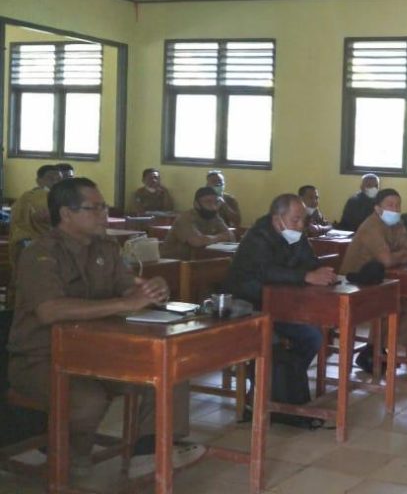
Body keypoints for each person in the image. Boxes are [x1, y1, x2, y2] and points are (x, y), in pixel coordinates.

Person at [6, 177, 200, 477]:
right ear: (66, 213)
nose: (103, 214)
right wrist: (125, 303)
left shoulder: (106, 247)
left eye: (104, 207)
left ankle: (147, 452)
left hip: (98, 351)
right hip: (41, 358)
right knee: (88, 399)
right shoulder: (40, 253)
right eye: (94, 208)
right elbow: (49, 310)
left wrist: (151, 289)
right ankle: (69, 455)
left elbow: (128, 285)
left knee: (168, 369)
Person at [222, 194, 336, 424]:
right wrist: (305, 276)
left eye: (303, 220)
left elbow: (310, 262)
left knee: (313, 336)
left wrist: (322, 273)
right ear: (277, 219)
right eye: (295, 220)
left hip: (282, 305)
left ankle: (284, 388)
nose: (301, 225)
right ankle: (266, 392)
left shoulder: (296, 235)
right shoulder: (257, 237)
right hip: (251, 306)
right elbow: (266, 272)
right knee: (272, 342)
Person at [339, 188, 407, 372]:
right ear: (378, 208)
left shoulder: (397, 223)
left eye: (398, 205)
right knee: (390, 305)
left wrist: (397, 256)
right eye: (390, 205)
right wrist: (401, 255)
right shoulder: (372, 227)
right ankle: (375, 351)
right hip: (355, 285)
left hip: (379, 282)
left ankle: (376, 349)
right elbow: (387, 260)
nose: (395, 209)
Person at [8, 165, 64, 308]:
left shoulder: (56, 197)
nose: (55, 182)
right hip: (33, 244)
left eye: (58, 179)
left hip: (29, 244)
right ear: (39, 181)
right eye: (50, 178)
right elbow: (44, 216)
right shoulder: (36, 197)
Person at [161, 187, 235, 260]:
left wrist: (207, 239)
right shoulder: (185, 218)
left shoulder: (214, 216)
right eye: (208, 202)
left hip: (198, 260)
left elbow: (231, 236)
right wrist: (220, 237)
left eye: (215, 202)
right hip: (173, 263)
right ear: (196, 204)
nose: (213, 206)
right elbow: (196, 241)